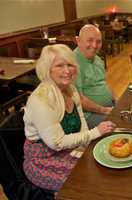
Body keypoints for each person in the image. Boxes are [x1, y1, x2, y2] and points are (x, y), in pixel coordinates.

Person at [23, 44, 116, 193]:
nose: (67, 71)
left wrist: (86, 145)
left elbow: (81, 121)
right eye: (59, 65)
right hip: (44, 159)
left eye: (70, 65)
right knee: (89, 181)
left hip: (68, 150)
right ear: (48, 70)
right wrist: (95, 132)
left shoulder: (70, 89)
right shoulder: (41, 100)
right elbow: (57, 143)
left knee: (103, 165)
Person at [74, 24, 115, 128]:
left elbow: (103, 84)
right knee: (120, 125)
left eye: (98, 41)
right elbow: (78, 100)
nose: (95, 45)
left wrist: (116, 100)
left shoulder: (97, 59)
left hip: (106, 107)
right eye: (90, 40)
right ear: (78, 41)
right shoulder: (71, 64)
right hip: (88, 115)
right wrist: (104, 110)